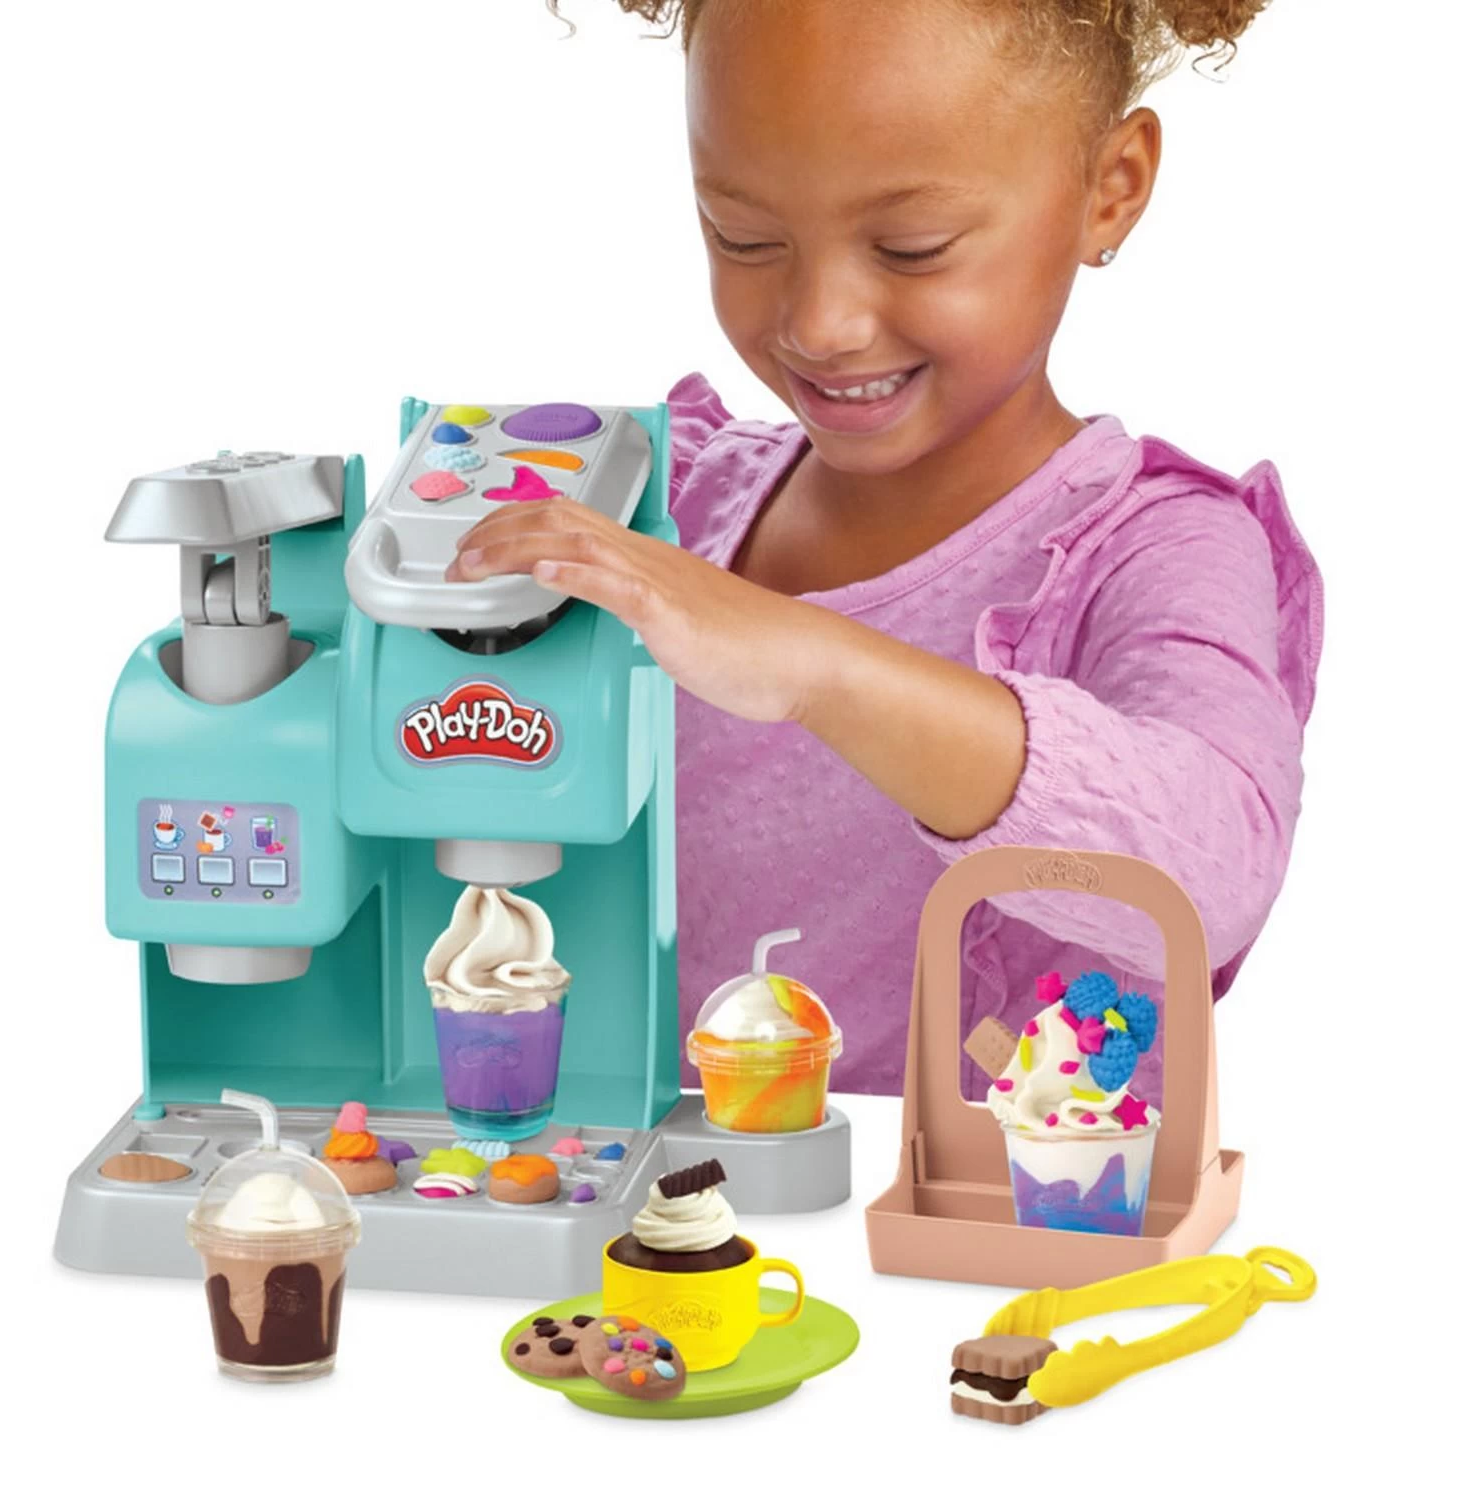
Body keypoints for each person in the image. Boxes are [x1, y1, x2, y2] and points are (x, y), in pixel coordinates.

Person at [447, 0, 1322, 1101]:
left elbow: (1213, 877)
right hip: (652, 1187)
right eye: (743, 237)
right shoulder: (672, 503)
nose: (820, 323)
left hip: (970, 1208)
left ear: (1111, 187)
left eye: (913, 248)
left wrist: (816, 667)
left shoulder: (1157, 546)